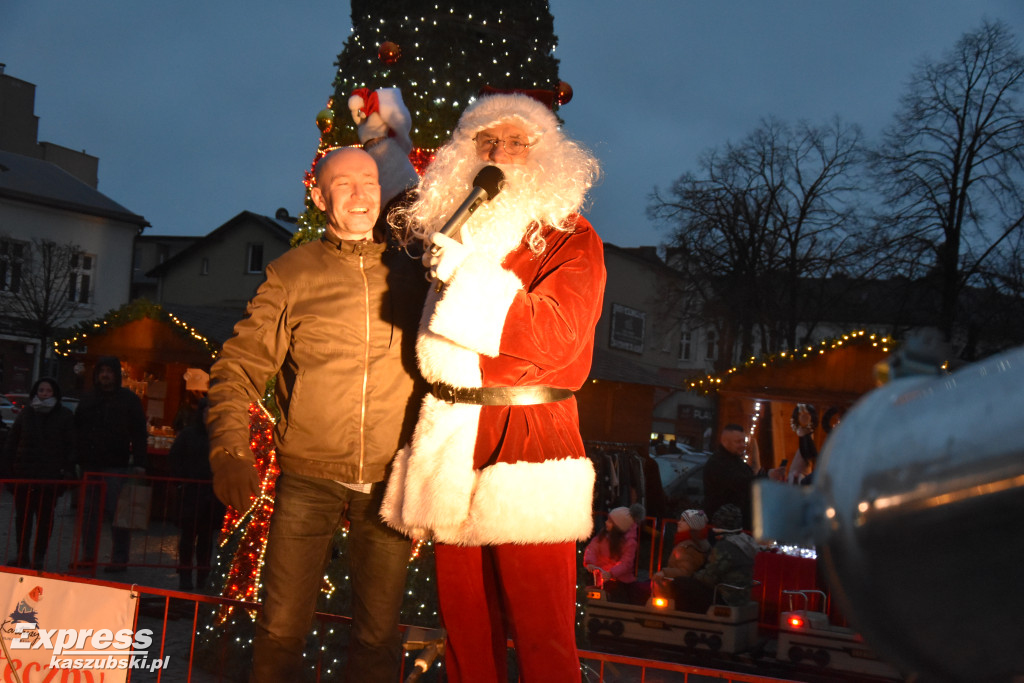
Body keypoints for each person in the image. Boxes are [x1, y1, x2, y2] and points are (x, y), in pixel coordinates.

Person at [381, 89, 604, 683]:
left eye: (515, 141)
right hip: (454, 435)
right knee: (465, 629)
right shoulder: (456, 235)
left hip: (528, 436)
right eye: (485, 142)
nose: (498, 153)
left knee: (542, 632)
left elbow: (557, 337)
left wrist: (469, 276)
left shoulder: (571, 238)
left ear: (546, 155)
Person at [206, 146, 427, 683]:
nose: (359, 195)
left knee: (377, 639)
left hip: (386, 483)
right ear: (318, 195)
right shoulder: (293, 273)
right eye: (343, 184)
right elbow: (238, 365)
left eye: (369, 182)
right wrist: (229, 451)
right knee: (281, 630)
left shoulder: (413, 277)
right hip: (308, 479)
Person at [74, 356, 148, 572]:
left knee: (118, 513)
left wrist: (141, 461)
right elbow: (77, 430)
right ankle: (88, 556)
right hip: (91, 464)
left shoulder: (128, 400)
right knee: (89, 513)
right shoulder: (88, 400)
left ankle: (119, 558)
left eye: (109, 371)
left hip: (116, 463)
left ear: (115, 374)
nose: (105, 375)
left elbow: (139, 433)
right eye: (102, 371)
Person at [2, 377, 75, 569]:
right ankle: (22, 553)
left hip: (49, 476)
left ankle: (39, 555)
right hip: (24, 473)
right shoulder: (26, 415)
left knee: (44, 518)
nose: (44, 394)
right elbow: (12, 441)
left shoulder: (64, 416)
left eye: (48, 391)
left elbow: (69, 445)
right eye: (41, 390)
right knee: (22, 517)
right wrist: (8, 469)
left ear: (54, 393)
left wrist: (66, 470)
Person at [169, 397, 223, 591]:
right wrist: (181, 483)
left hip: (211, 496)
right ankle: (185, 575)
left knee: (206, 542)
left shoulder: (220, 437)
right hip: (191, 495)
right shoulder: (188, 435)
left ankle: (202, 576)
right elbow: (175, 458)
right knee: (187, 539)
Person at [665, 504, 758, 613]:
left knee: (680, 583)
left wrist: (692, 576)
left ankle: (684, 618)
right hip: (741, 594)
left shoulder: (725, 547)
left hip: (726, 597)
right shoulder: (744, 543)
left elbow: (709, 578)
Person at [702, 423, 762, 529]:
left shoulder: (737, 462)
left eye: (744, 441)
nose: (743, 445)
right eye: (738, 442)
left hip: (736, 525)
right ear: (725, 442)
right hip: (723, 526)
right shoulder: (718, 463)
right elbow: (740, 483)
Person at [584, 506, 641, 602]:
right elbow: (592, 548)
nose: (606, 523)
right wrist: (590, 563)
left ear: (618, 527)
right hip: (598, 577)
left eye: (610, 522)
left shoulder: (630, 543)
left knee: (615, 594)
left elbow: (626, 563)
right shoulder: (602, 537)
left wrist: (611, 573)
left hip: (620, 581)